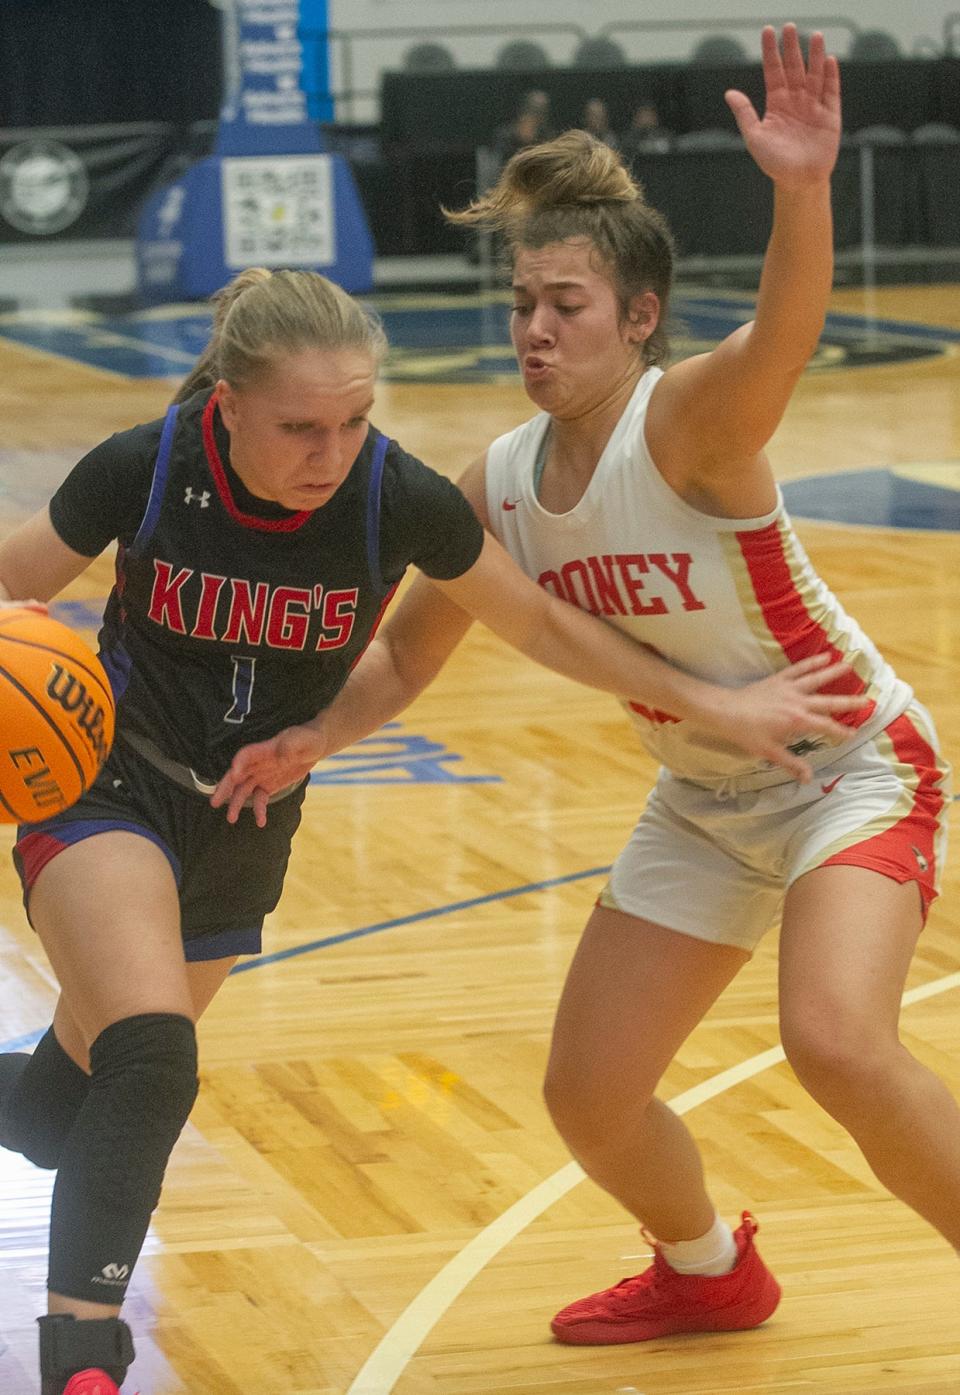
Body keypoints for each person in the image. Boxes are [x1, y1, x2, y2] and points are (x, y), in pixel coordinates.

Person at [213, 23, 956, 1349]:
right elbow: (405, 654)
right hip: (707, 791)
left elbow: (785, 336)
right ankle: (707, 1265)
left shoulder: (687, 424)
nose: (537, 327)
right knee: (589, 1094)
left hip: (850, 765)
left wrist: (800, 187)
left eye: (567, 304)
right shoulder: (492, 482)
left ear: (639, 319)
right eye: (523, 303)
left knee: (835, 1040)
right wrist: (311, 735)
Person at [0, 264, 860, 1395]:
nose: (332, 450)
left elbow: (542, 627)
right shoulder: (148, 467)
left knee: (71, 1117)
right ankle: (84, 1364)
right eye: (300, 426)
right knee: (154, 1058)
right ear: (227, 406)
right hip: (109, 784)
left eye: (355, 419)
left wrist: (719, 703)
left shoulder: (392, 496)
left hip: (244, 818)